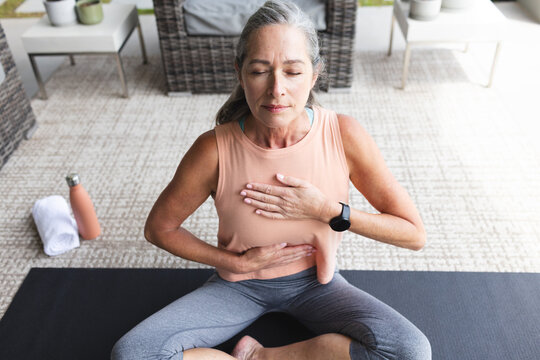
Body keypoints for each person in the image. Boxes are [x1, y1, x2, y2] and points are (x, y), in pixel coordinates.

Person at [111, 1, 431, 359]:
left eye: (293, 72)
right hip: (238, 287)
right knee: (134, 353)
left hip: (317, 285)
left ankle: (262, 356)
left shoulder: (343, 134)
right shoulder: (212, 149)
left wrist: (327, 209)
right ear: (240, 73)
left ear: (314, 74)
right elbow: (160, 229)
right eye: (260, 71)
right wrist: (234, 263)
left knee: (409, 351)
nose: (276, 89)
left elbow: (413, 234)